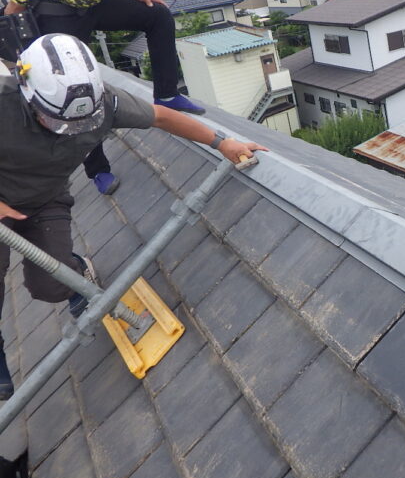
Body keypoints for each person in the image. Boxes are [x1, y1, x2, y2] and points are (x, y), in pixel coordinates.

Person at [0, 33, 268, 399]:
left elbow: (160, 116)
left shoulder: (102, 102)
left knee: (50, 287)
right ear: (28, 96)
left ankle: (74, 267)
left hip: (45, 201)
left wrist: (223, 143)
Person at [3, 0, 207, 196]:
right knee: (75, 89)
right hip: (59, 10)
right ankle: (98, 169)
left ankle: (166, 96)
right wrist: (16, 4)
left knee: (158, 16)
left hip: (92, 5)